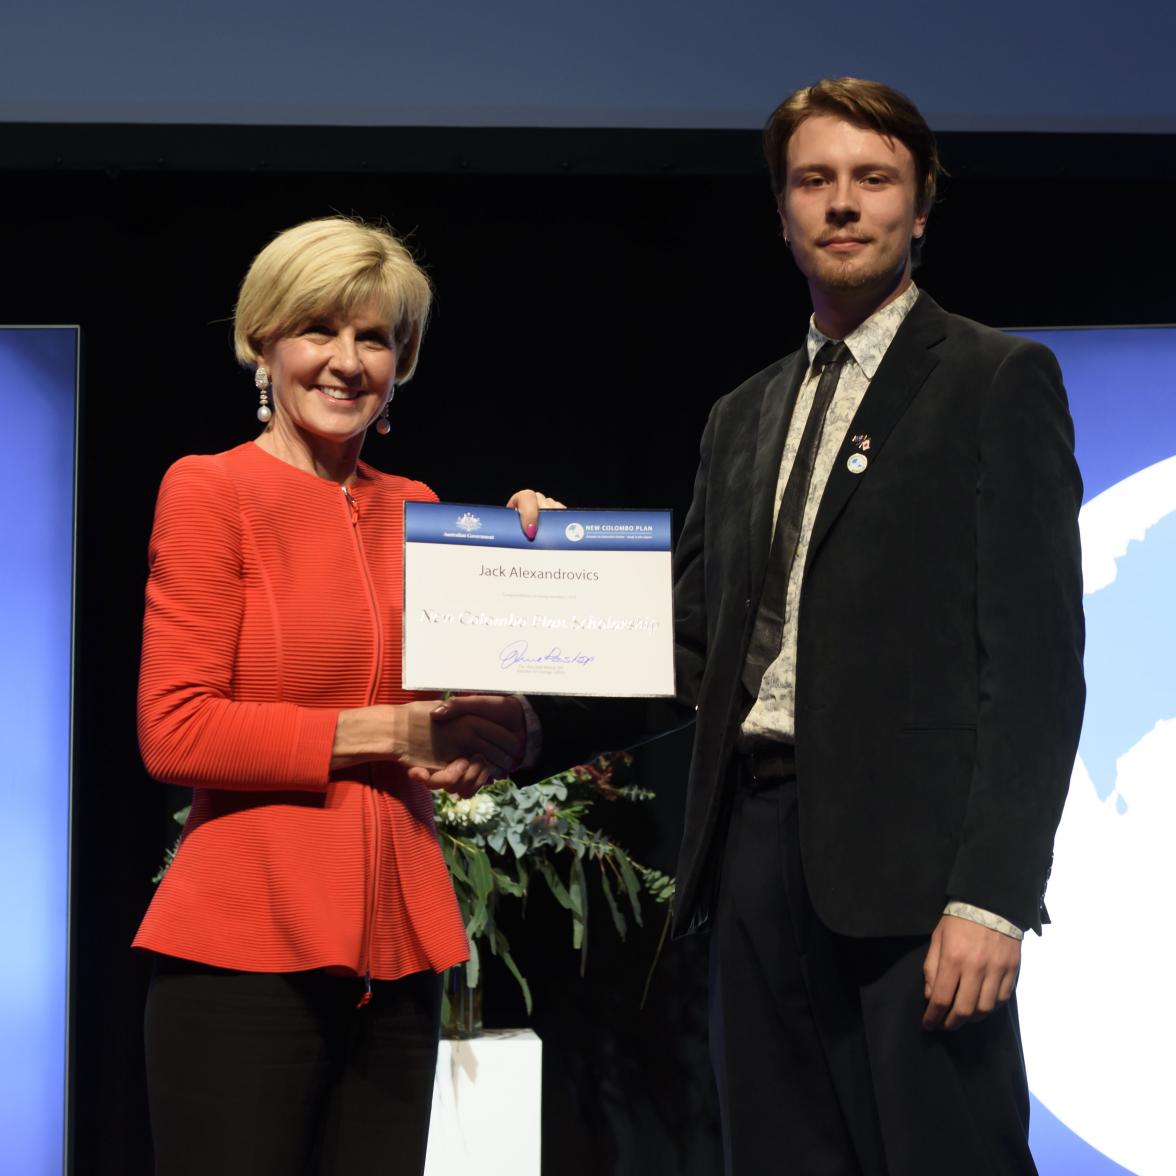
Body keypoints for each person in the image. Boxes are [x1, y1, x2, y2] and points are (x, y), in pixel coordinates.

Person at [453, 79, 1084, 1174]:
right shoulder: (739, 415)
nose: (843, 204)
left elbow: (1036, 668)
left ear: (921, 207)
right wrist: (540, 587)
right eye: (814, 181)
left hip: (916, 875)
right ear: (783, 212)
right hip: (752, 855)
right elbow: (688, 644)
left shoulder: (996, 380)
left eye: (873, 180)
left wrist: (993, 895)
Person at [134, 216, 546, 1175]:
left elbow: (458, 722)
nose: (347, 361)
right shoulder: (208, 490)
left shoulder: (420, 506)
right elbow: (175, 730)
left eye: (376, 338)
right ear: (262, 343)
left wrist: (539, 599)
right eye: (319, 329)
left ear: (403, 362)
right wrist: (391, 731)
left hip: (395, 951)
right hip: (242, 946)